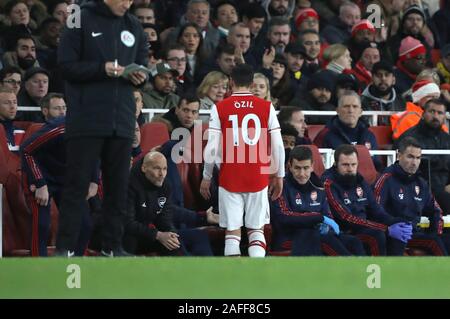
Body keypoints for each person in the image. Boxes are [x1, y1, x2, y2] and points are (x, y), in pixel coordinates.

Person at [55, 0, 148, 257]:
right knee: (77, 185)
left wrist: (141, 75)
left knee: (118, 187)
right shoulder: (80, 19)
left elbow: (142, 64)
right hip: (87, 119)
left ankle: (112, 247)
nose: (127, 3)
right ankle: (65, 248)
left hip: (122, 120)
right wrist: (102, 69)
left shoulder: (134, 26)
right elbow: (65, 65)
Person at [200, 64, 285, 257]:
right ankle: (257, 278)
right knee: (256, 230)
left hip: (230, 176)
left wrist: (206, 176)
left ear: (231, 81)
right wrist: (279, 175)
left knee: (232, 231)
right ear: (252, 83)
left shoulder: (219, 107)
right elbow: (278, 145)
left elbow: (212, 147)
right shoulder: (266, 107)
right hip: (258, 176)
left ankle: (234, 279)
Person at [20, 115, 96, 256]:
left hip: (67, 176)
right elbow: (26, 150)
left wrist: (94, 180)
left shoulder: (100, 129)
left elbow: (95, 153)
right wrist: (40, 183)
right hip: (42, 174)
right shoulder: (61, 128)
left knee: (84, 225)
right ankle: (38, 270)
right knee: (42, 225)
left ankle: (75, 267)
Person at [270, 146, 365, 256]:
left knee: (354, 242)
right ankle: (354, 270)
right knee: (325, 241)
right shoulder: (281, 186)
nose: (302, 173)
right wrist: (319, 218)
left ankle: (360, 269)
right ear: (289, 167)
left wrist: (326, 225)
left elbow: (328, 215)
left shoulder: (318, 187)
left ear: (312, 167)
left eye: (306, 168)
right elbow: (284, 217)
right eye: (297, 168)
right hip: (289, 238)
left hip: (316, 234)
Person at [323, 144, 412, 256]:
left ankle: (393, 269)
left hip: (364, 226)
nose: (350, 169)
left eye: (353, 164)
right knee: (378, 234)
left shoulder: (360, 180)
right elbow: (345, 217)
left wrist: (396, 222)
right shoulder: (328, 183)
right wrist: (386, 229)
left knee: (400, 224)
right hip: (346, 231)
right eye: (345, 165)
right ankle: (378, 271)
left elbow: (376, 210)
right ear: (335, 164)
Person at [123, 151, 213, 256]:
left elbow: (165, 219)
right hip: (125, 235)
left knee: (176, 241)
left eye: (164, 169)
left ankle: (201, 269)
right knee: (130, 238)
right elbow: (127, 223)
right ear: (144, 168)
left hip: (147, 234)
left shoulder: (165, 186)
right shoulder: (128, 185)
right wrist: (158, 235)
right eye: (156, 168)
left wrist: (170, 234)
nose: (161, 174)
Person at [374, 137, 447, 256]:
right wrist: (390, 227)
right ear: (399, 156)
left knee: (443, 240)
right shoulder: (385, 179)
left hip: (414, 233)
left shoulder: (421, 183)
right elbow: (375, 211)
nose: (414, 163)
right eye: (410, 157)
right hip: (393, 234)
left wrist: (435, 232)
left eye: (418, 158)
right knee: (434, 242)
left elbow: (436, 210)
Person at [395, 99, 450, 215]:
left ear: (445, 117)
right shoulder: (410, 137)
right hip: (420, 187)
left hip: (445, 187)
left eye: (440, 113)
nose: (435, 116)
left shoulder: (447, 138)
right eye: (432, 111)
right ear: (423, 113)